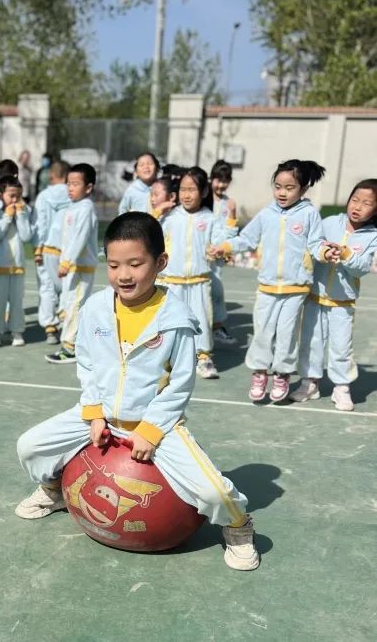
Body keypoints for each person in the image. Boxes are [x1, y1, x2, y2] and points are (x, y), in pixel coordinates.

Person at [15, 212, 259, 571]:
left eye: (135, 263)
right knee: (30, 446)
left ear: (160, 262)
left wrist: (151, 430)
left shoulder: (175, 319)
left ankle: (239, 528)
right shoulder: (96, 308)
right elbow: (86, 363)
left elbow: (180, 384)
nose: (123, 275)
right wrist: (93, 412)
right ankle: (55, 489)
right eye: (113, 265)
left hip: (154, 427)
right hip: (102, 418)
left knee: (213, 492)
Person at [210, 159, 339, 403]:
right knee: (263, 333)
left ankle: (282, 374)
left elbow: (315, 244)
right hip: (267, 286)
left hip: (295, 287)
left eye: (289, 188)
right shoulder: (267, 214)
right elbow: (247, 239)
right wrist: (224, 246)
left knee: (287, 334)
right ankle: (260, 373)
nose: (282, 192)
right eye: (278, 186)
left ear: (303, 189)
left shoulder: (309, 214)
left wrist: (325, 252)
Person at [291, 179, 377, 411]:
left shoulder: (372, 237)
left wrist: (347, 253)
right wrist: (323, 252)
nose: (357, 206)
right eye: (355, 200)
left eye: (366, 203)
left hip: (342, 302)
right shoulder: (329, 222)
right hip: (315, 297)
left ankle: (341, 387)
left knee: (341, 347)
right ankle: (309, 383)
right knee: (311, 343)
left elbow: (361, 268)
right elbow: (312, 244)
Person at [156, 167, 238, 379]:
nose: (186, 194)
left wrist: (230, 222)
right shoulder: (170, 217)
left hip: (200, 282)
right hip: (171, 282)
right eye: (183, 189)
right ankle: (167, 359)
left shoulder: (210, 218)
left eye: (192, 189)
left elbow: (221, 241)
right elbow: (149, 232)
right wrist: (157, 212)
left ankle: (203, 358)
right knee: (170, 322)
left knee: (200, 321)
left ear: (203, 192)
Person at [45, 163, 98, 364]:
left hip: (80, 268)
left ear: (88, 187)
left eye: (76, 184)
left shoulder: (86, 208)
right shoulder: (74, 207)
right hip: (72, 267)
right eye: (69, 183)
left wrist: (66, 261)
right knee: (71, 304)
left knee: (75, 306)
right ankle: (76, 343)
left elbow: (79, 238)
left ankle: (70, 347)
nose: (70, 188)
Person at [0, 176, 33, 347]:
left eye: (18, 196)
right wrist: (7, 216)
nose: (14, 200)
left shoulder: (24, 211)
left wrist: (20, 215)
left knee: (16, 302)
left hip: (18, 266)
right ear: (1, 195)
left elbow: (26, 236)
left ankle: (17, 331)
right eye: (11, 196)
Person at [33, 160, 71, 345]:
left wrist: (38, 247)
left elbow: (41, 223)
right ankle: (67, 322)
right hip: (67, 249)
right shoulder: (73, 195)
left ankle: (50, 327)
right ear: (66, 176)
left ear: (52, 175)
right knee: (67, 287)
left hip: (47, 249)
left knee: (47, 287)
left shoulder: (44, 196)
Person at [206, 160, 238, 347]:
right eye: (217, 179)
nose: (220, 184)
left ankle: (217, 327)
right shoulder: (202, 200)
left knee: (216, 291)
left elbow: (230, 231)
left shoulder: (229, 204)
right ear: (211, 179)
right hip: (199, 254)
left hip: (216, 257)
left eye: (225, 181)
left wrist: (227, 248)